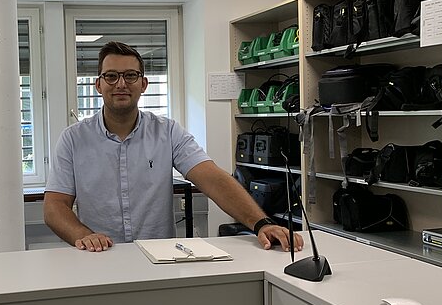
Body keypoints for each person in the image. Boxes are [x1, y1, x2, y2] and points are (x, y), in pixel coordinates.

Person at [44, 41, 303, 253]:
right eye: (111, 76)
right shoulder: (73, 139)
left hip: (159, 259)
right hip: (99, 257)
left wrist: (261, 223)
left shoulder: (167, 132)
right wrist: (84, 235)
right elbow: (54, 206)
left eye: (130, 75)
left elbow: (213, 179)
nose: (121, 84)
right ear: (98, 85)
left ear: (143, 84)